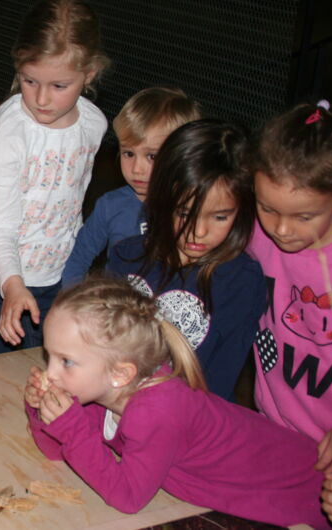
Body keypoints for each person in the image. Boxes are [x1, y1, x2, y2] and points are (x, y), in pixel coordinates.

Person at [24, 277, 329, 528]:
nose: (51, 372)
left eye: (66, 361)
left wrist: (72, 429)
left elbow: (128, 498)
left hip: (307, 493)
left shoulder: (156, 411)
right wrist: (42, 412)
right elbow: (58, 452)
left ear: (120, 373)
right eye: (50, 356)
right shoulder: (108, 388)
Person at [248, 101, 332, 526]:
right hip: (278, 431)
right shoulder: (256, 233)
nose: (282, 230)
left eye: (304, 216)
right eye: (267, 208)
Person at [0, 0, 110, 358]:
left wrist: (74, 275)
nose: (42, 99)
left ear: (89, 73)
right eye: (29, 81)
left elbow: (72, 206)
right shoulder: (8, 133)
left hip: (56, 280)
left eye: (59, 85)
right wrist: (13, 286)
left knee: (49, 375)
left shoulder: (94, 124)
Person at [106, 119, 265, 401]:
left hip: (186, 416)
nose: (199, 231)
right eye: (183, 213)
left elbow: (219, 383)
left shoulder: (241, 281)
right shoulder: (125, 257)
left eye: (220, 216)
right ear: (161, 199)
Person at [61, 87, 202, 286]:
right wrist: (71, 297)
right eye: (128, 153)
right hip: (121, 302)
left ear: (184, 154)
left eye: (151, 156)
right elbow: (78, 257)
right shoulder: (111, 206)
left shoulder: (197, 207)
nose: (137, 169)